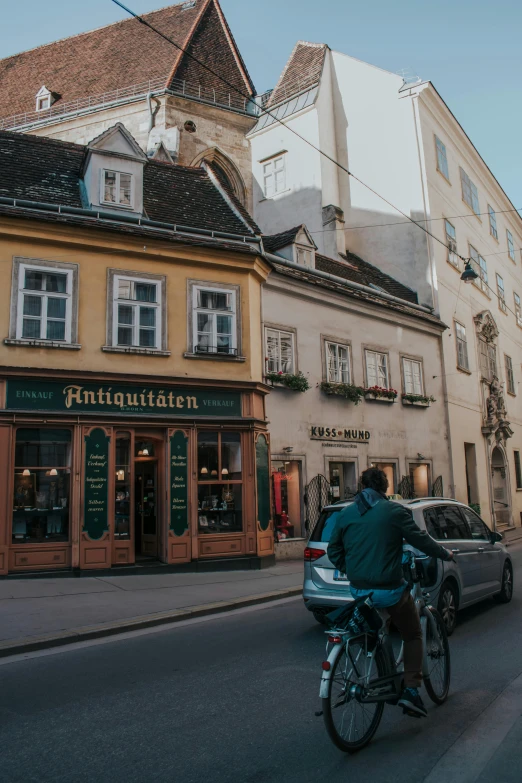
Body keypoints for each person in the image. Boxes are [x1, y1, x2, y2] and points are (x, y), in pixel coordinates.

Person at [327, 467, 454, 719]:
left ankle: (381, 663)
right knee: (413, 633)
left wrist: (351, 568)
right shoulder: (394, 511)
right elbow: (421, 540)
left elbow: (334, 551)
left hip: (359, 589)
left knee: (376, 626)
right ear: (384, 487)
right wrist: (445, 553)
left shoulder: (346, 513)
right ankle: (412, 690)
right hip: (389, 589)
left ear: (362, 486)